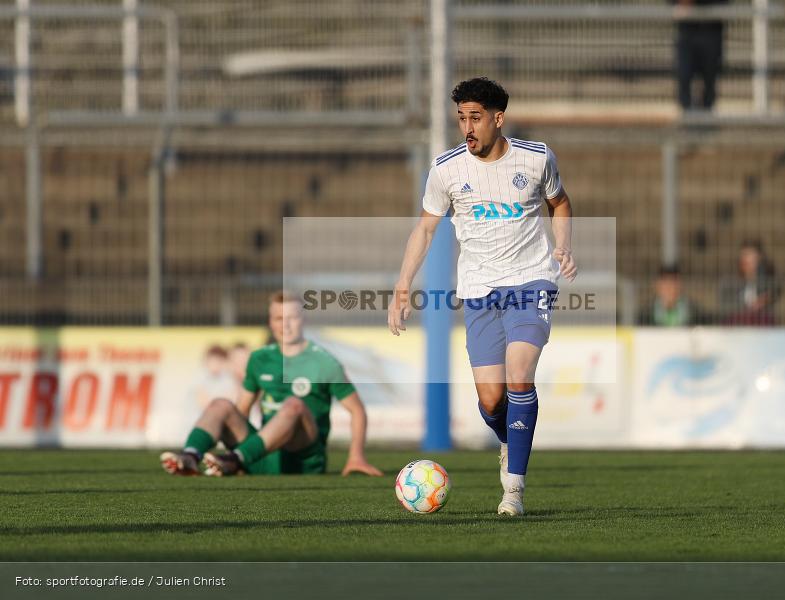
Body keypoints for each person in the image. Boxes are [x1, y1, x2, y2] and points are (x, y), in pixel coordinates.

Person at [388, 77, 577, 516]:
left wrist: (563, 245)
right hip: (478, 290)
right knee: (492, 400)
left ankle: (514, 489)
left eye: (475, 118)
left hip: (531, 281)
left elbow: (560, 203)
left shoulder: (536, 158)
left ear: (498, 118)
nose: (467, 128)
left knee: (519, 372)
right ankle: (509, 442)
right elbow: (426, 227)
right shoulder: (447, 169)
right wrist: (402, 286)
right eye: (461, 119)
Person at [161, 291, 383, 477]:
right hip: (261, 456)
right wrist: (237, 440)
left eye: (292, 318)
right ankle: (190, 456)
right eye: (278, 318)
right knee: (220, 404)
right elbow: (241, 411)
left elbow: (357, 410)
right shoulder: (259, 359)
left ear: (303, 319)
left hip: (303, 462)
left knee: (294, 405)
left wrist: (356, 457)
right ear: (270, 322)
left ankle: (235, 459)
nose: (285, 325)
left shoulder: (324, 362)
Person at [670, 0, 727, 111]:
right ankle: (687, 114)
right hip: (687, 31)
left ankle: (707, 113)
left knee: (709, 77)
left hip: (711, 30)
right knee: (684, 74)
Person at [719, 239, 780, 326]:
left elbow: (776, 289)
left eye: (749, 255)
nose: (745, 259)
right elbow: (726, 304)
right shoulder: (731, 282)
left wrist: (765, 299)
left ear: (759, 257)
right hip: (737, 325)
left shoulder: (766, 281)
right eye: (743, 255)